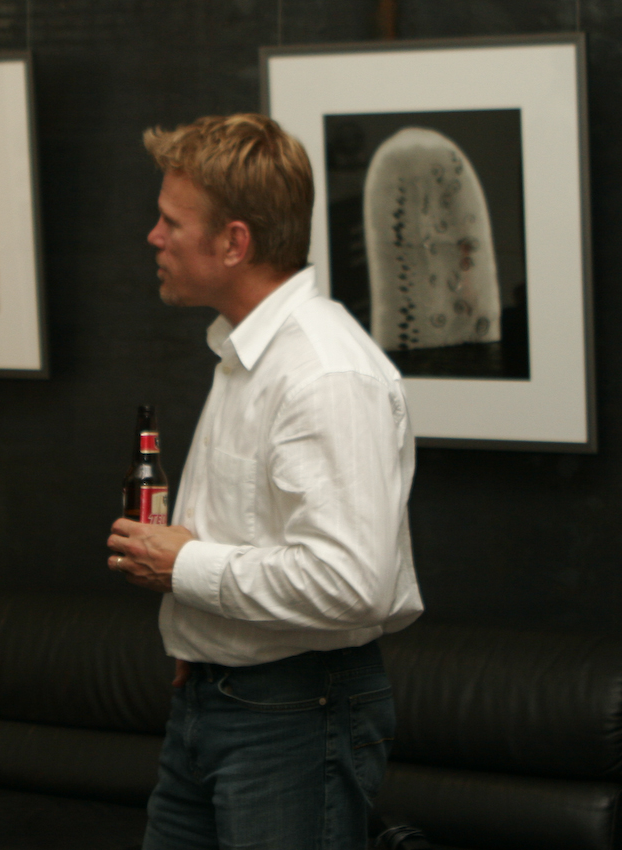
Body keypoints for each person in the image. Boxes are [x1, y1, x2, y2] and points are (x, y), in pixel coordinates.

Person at [107, 114, 423, 850]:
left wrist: (184, 566)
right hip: (216, 699)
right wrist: (201, 636)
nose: (154, 237)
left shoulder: (323, 373)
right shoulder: (249, 352)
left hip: (295, 713)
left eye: (171, 221)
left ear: (234, 242)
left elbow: (353, 583)